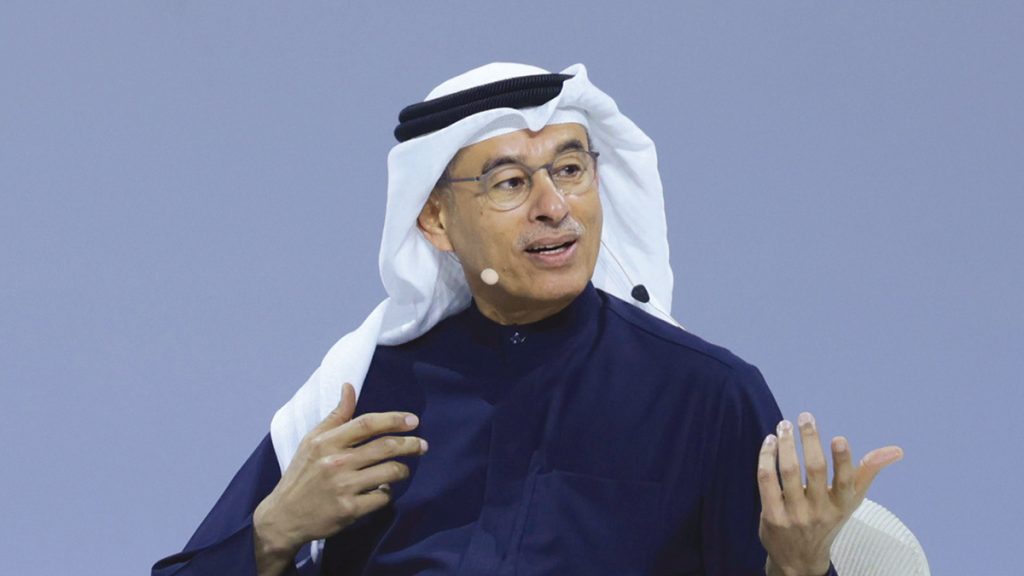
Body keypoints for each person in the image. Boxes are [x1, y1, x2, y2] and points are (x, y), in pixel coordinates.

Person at [153, 63, 902, 576]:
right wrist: (274, 532)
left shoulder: (706, 395)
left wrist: (799, 565)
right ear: (436, 219)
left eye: (571, 170)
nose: (554, 206)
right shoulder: (366, 386)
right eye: (510, 182)